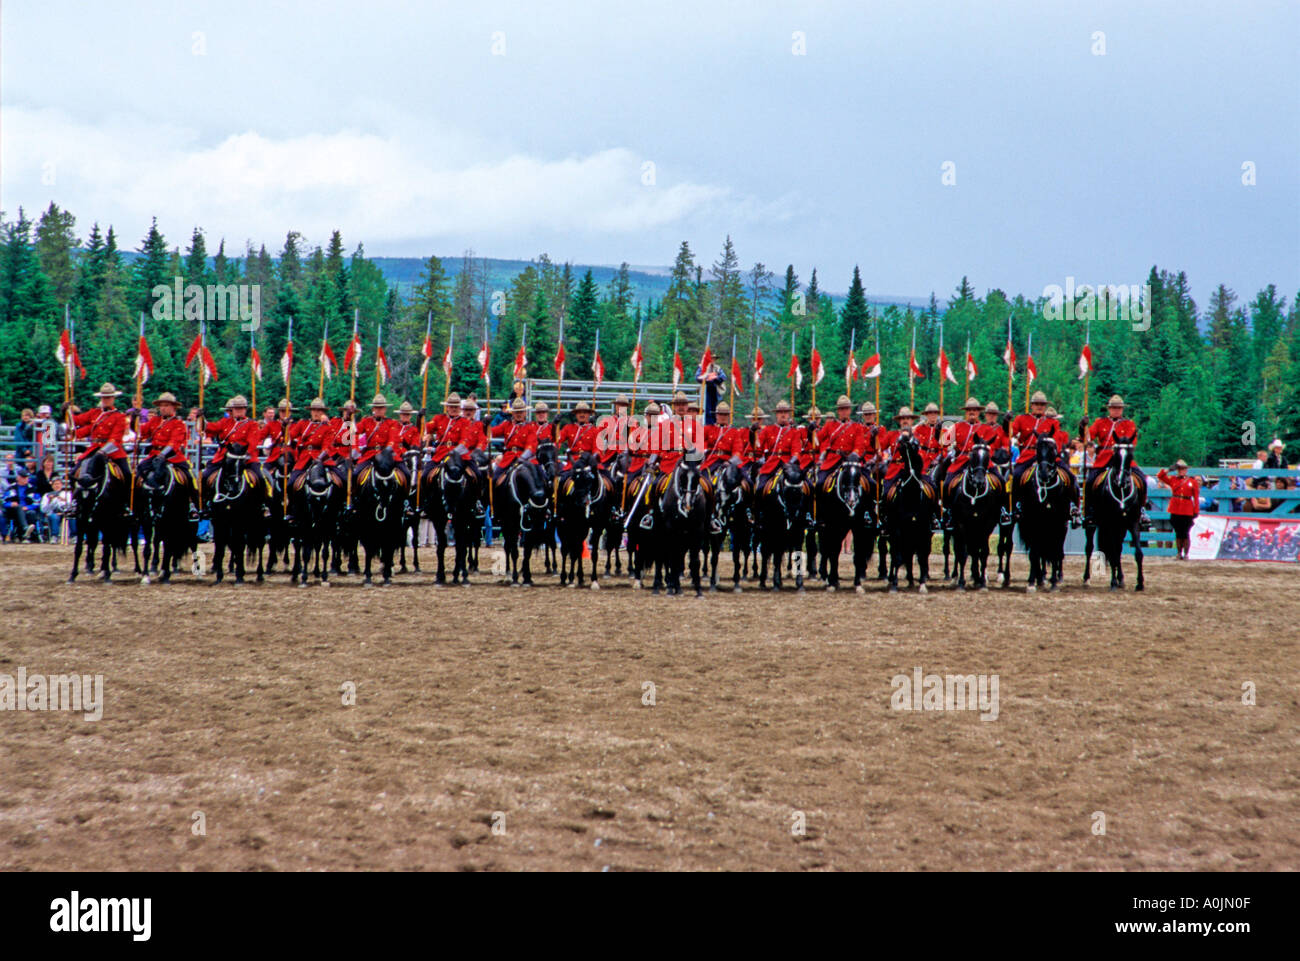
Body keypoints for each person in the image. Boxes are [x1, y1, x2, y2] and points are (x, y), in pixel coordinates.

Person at [69, 383, 133, 496]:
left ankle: (126, 503)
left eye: (108, 397)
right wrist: (66, 412)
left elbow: (115, 439)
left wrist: (102, 452)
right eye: (104, 397)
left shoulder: (119, 417)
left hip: (113, 450)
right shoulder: (94, 413)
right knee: (74, 473)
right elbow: (77, 421)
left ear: (113, 398)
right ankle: (75, 501)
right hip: (94, 448)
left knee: (127, 474)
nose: (106, 400)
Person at [1156, 459, 1200, 560]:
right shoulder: (1173, 479)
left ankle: (1186, 553)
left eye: (1183, 469)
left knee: (1185, 533)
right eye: (1179, 469)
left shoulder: (1192, 481)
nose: (1181, 471)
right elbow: (1160, 476)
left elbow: (1196, 497)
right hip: (1175, 509)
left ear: (1186, 470)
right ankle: (1179, 553)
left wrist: (1196, 511)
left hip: (1187, 509)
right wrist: (1169, 470)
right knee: (1178, 532)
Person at [815, 396, 863, 485]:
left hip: (850, 461)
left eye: (846, 408)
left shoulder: (857, 427)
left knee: (868, 484)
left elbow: (859, 445)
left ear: (850, 410)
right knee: (820, 483)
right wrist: (812, 431)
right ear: (838, 411)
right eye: (841, 409)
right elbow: (817, 441)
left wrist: (853, 455)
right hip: (832, 461)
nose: (844, 411)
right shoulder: (830, 425)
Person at [756, 399, 803, 479]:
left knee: (807, 485)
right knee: (761, 488)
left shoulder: (794, 432)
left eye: (785, 412)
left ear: (788, 415)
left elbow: (796, 450)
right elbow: (758, 446)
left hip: (788, 464)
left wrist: (790, 462)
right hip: (771, 463)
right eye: (781, 412)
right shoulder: (767, 430)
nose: (783, 415)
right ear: (776, 414)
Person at [2, 466, 38, 542]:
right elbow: (4, 501)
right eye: (23, 477)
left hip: (26, 510)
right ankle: (25, 528)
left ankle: (29, 536)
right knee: (18, 508)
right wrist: (11, 504)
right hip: (13, 511)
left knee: (31, 513)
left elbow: (37, 502)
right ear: (18, 478)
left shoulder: (32, 488)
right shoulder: (11, 488)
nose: (26, 479)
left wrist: (28, 507)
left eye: (26, 477)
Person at [40, 475, 74, 542]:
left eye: (58, 484)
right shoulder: (47, 495)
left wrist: (62, 500)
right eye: (55, 484)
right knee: (54, 517)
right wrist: (50, 501)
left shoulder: (67, 494)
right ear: (52, 486)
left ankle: (74, 536)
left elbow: (70, 506)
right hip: (53, 513)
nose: (57, 486)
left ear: (61, 485)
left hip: (64, 513)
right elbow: (43, 509)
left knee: (72, 517)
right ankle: (54, 536)